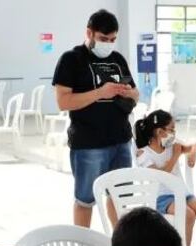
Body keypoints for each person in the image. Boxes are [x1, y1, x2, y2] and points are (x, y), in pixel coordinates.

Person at [52, 9, 139, 230]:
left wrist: (130, 94)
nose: (108, 44)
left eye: (112, 40)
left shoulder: (118, 59)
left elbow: (136, 93)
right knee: (85, 199)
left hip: (121, 140)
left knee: (120, 198)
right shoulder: (71, 59)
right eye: (103, 39)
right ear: (89, 33)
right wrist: (100, 92)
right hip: (89, 144)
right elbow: (63, 102)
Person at [134, 109, 196, 246]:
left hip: (182, 193)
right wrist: (175, 156)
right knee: (188, 215)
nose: (174, 133)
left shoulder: (173, 146)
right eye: (171, 129)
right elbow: (160, 176)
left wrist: (192, 153)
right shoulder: (143, 153)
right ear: (160, 131)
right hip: (160, 198)